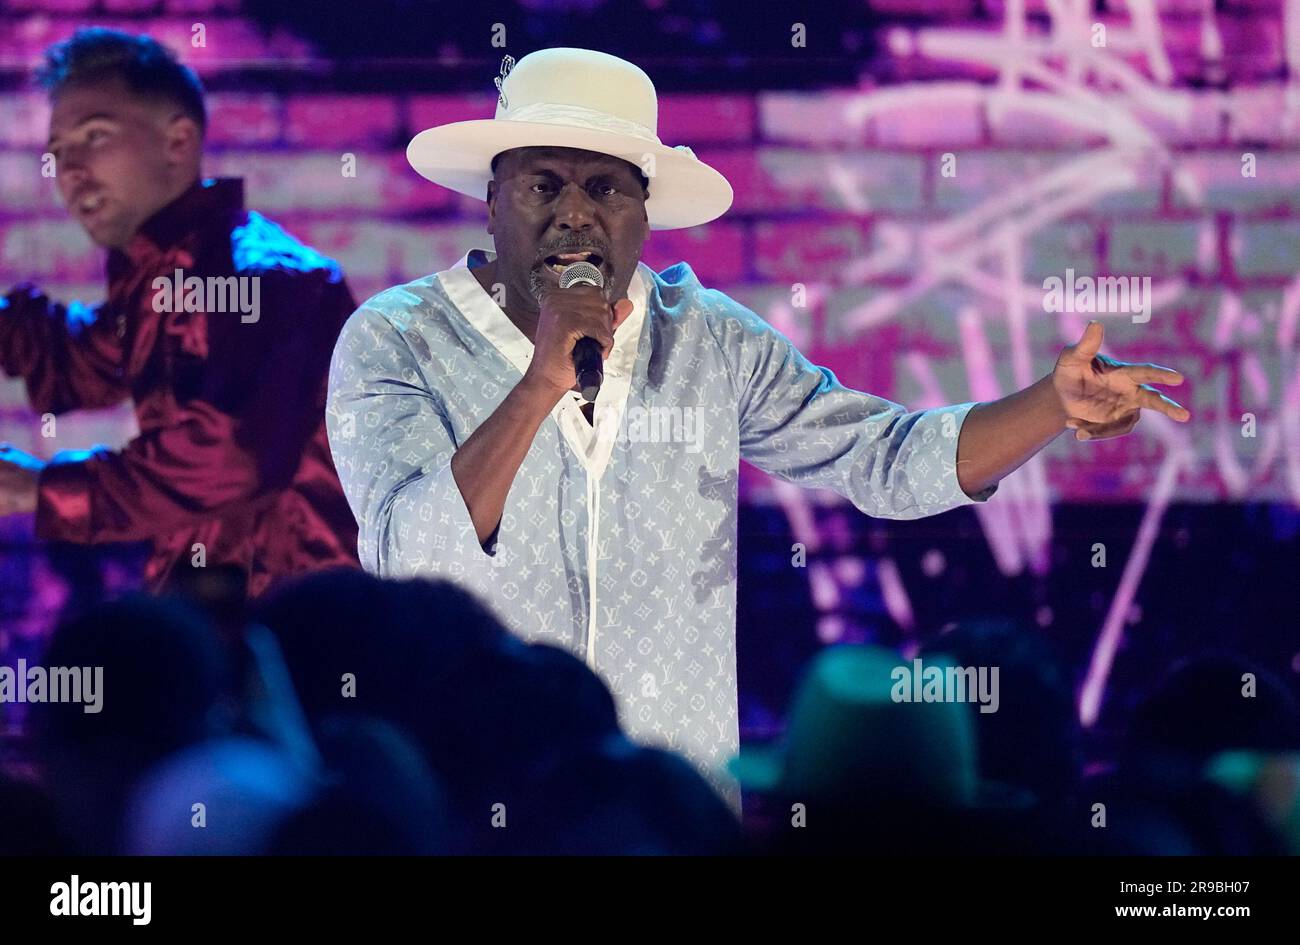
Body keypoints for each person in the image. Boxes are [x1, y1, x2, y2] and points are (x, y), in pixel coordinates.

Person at [326, 47, 1192, 803]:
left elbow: (884, 459)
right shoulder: (397, 339)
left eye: (606, 189)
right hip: (476, 803)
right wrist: (540, 380)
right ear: (491, 201)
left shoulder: (708, 338)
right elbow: (412, 557)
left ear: (645, 212)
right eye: (544, 184)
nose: (576, 213)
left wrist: (1051, 404)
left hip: (671, 811)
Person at [0, 28, 359, 599]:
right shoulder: (159, 279)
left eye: (94, 136)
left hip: (293, 625)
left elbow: (225, 456)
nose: (68, 170)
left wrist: (41, 488)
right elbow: (79, 363)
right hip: (218, 616)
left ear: (178, 141)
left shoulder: (254, 277)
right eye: (58, 151)